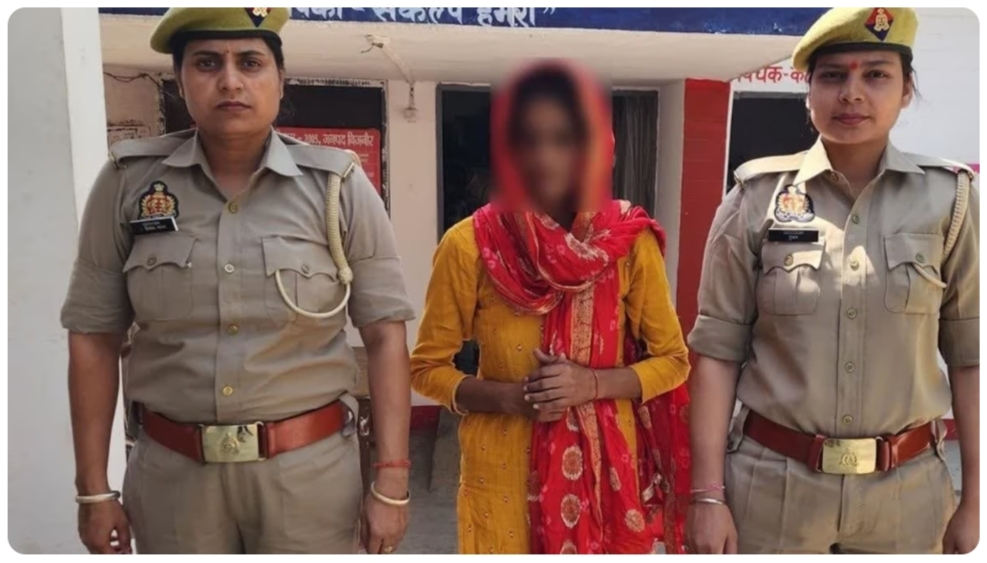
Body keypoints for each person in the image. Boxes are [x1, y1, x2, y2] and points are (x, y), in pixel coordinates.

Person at [61, 8, 416, 555]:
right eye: (207, 63)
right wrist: (93, 489)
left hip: (309, 482)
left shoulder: (337, 187)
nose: (230, 81)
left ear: (280, 80)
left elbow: (386, 335)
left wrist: (391, 482)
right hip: (173, 482)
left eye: (250, 62)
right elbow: (93, 336)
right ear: (180, 81)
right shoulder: (129, 184)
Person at [686, 7, 979, 555]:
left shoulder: (950, 200)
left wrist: (975, 500)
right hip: (772, 491)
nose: (852, 93)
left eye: (876, 75)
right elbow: (716, 353)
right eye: (832, 76)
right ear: (809, 93)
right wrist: (706, 496)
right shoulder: (755, 199)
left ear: (907, 90)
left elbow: (969, 358)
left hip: (907, 497)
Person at [409, 61, 691, 554]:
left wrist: (591, 384)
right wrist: (511, 398)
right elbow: (426, 369)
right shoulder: (470, 244)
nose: (543, 157)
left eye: (563, 139)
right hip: (501, 481)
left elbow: (673, 361)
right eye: (527, 140)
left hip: (605, 485)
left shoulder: (627, 242)